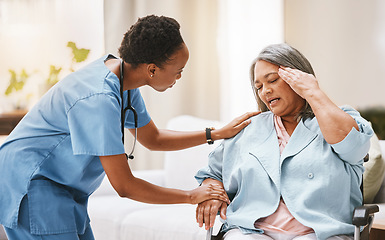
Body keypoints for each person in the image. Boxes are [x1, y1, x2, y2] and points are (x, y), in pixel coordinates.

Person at [0, 15, 257, 240]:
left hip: (62, 187)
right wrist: (192, 195)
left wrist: (216, 133)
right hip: (32, 183)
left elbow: (153, 138)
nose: (179, 77)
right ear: (152, 69)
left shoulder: (122, 78)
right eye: (178, 71)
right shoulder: (98, 98)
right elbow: (125, 186)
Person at [195, 43, 373, 240]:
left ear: (299, 77)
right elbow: (212, 173)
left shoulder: (339, 117)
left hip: (319, 232)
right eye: (259, 87)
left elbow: (355, 148)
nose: (265, 91)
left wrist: (312, 92)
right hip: (251, 230)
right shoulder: (248, 127)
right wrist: (213, 191)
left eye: (272, 80)